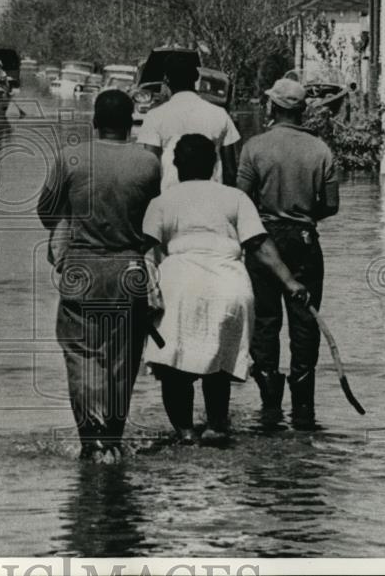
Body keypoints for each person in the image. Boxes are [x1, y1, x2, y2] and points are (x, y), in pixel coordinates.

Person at [143, 134, 309, 445]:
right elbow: (258, 243)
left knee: (174, 368)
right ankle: (216, 427)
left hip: (180, 285)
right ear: (215, 164)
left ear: (176, 165)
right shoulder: (235, 198)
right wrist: (290, 282)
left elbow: (145, 248)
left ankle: (186, 434)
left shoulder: (161, 202)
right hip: (229, 283)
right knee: (218, 365)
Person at [38, 89, 161, 462]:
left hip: (83, 270)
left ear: (94, 122)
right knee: (123, 359)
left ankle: (91, 442)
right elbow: (153, 218)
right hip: (130, 270)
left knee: (81, 356)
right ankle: (113, 438)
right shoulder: (149, 163)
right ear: (130, 124)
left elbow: (45, 212)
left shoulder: (70, 157)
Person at [237, 78, 340, 428]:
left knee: (266, 323)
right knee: (305, 324)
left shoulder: (255, 147)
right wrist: (302, 214)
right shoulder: (320, 150)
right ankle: (304, 412)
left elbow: (241, 200)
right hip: (305, 239)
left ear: (273, 108)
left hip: (261, 238)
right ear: (300, 112)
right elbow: (332, 205)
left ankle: (269, 412)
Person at [136, 51, 241, 188]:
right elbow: (231, 171)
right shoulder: (220, 114)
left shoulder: (155, 116)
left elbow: (150, 169)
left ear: (166, 80)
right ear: (197, 79)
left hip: (171, 200)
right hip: (212, 200)